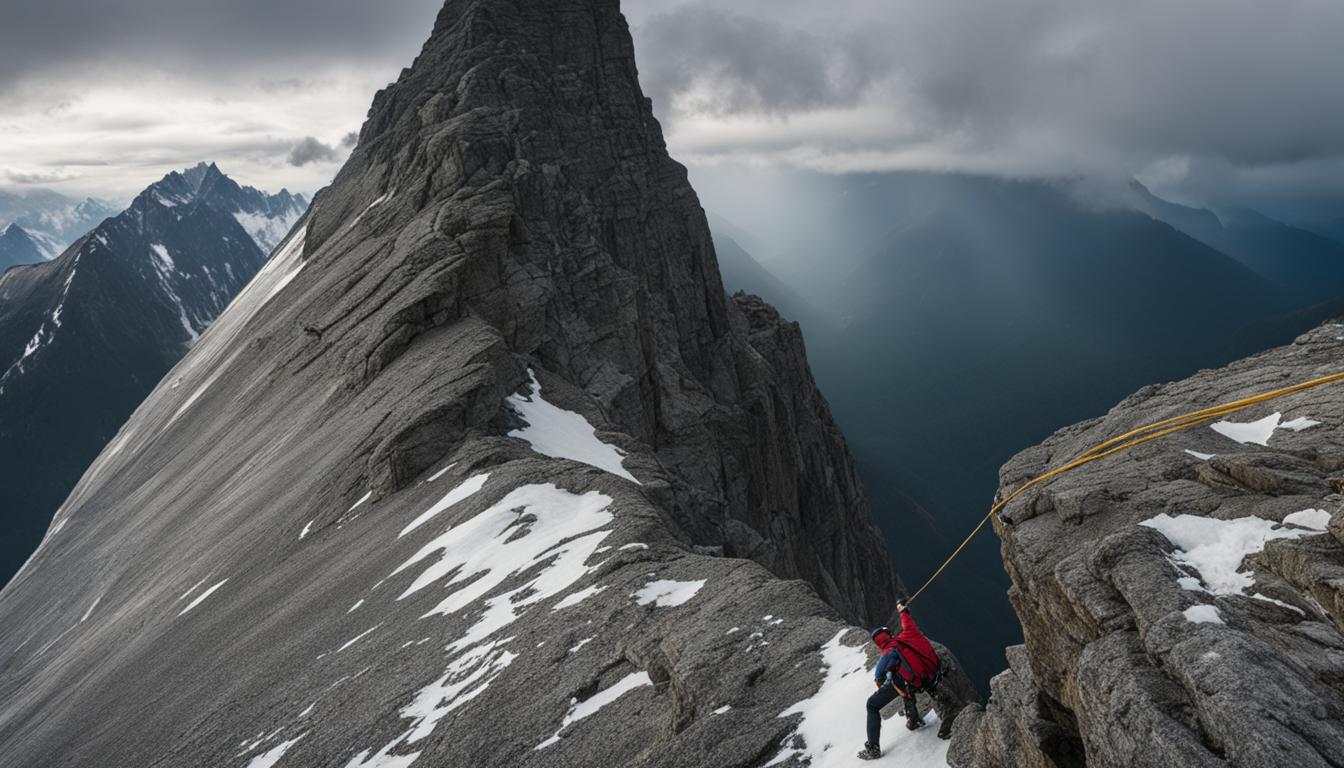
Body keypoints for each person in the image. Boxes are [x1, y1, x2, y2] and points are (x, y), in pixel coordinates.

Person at [857, 600, 948, 760]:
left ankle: (873, 748)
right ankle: (914, 720)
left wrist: (881, 683)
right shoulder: (907, 635)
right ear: (890, 634)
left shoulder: (888, 653)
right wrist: (902, 609)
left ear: (878, 644)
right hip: (928, 676)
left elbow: (878, 674)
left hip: (910, 682)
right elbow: (908, 622)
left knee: (872, 704)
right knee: (903, 682)